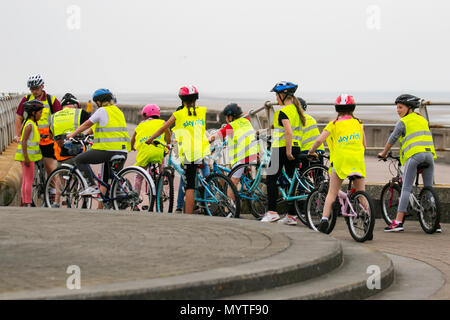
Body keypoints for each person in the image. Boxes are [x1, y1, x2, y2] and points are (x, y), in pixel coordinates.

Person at [378, 94, 439, 233]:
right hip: (429, 155)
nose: (398, 110)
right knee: (429, 187)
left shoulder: (403, 122)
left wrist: (383, 153)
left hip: (415, 156)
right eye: (397, 107)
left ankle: (398, 222)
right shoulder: (422, 119)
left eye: (400, 107)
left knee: (406, 188)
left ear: (409, 108)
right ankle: (436, 221)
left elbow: (392, 138)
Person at [307, 94, 367, 234]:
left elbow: (319, 140)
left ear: (337, 109)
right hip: (357, 161)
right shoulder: (359, 123)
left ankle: (324, 220)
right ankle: (368, 219)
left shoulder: (333, 124)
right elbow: (364, 145)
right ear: (352, 108)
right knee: (362, 194)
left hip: (340, 162)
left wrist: (311, 151)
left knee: (332, 193)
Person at [146, 85, 210, 214]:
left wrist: (150, 139)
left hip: (189, 153)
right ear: (195, 99)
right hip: (202, 150)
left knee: (189, 186)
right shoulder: (202, 111)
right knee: (196, 176)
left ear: (182, 100)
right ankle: (202, 197)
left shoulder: (179, 114)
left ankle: (188, 215)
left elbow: (163, 128)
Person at [67, 89, 131, 196]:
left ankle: (91, 186)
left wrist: (72, 134)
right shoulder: (118, 111)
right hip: (122, 151)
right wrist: (86, 134)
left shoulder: (102, 111)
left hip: (107, 150)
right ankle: (119, 194)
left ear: (99, 101)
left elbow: (88, 123)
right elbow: (96, 126)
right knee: (109, 179)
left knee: (79, 159)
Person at [261, 81, 306, 226]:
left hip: (281, 148)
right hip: (296, 147)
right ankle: (292, 216)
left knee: (271, 179)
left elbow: (288, 131)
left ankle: (272, 212)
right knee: (292, 181)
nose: (275, 98)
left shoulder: (282, 112)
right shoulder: (297, 111)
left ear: (283, 95)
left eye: (276, 95)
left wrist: (287, 150)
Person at [14, 74, 61, 178]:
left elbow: (58, 118)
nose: (34, 91)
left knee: (50, 166)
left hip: (47, 140)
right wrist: (17, 135)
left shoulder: (51, 100)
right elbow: (19, 117)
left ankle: (52, 189)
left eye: (36, 88)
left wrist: (54, 133)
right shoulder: (26, 99)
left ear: (42, 87)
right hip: (31, 139)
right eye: (32, 89)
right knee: (27, 166)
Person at [208, 103, 259, 188]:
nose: (226, 119)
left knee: (232, 183)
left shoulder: (231, 126)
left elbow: (214, 137)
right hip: (253, 153)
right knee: (238, 174)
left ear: (231, 117)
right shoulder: (246, 121)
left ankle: (230, 201)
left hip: (242, 156)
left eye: (226, 116)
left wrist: (205, 141)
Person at [130, 104, 171, 192]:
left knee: (139, 176)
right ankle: (162, 176)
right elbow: (168, 134)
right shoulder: (162, 122)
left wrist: (132, 147)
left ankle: (135, 197)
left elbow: (133, 138)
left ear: (145, 115)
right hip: (158, 152)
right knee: (161, 165)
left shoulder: (140, 125)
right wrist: (168, 144)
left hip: (144, 154)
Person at [14, 100, 44, 207]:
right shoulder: (30, 125)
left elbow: (22, 139)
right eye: (40, 113)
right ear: (33, 113)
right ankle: (27, 201)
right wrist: (26, 157)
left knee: (26, 179)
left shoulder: (27, 123)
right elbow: (24, 141)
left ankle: (24, 200)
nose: (40, 115)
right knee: (29, 180)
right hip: (28, 157)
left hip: (28, 156)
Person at [49, 93, 91, 165]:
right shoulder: (80, 112)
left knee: (63, 175)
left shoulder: (53, 116)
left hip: (61, 157)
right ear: (76, 105)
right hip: (78, 154)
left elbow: (50, 136)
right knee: (85, 175)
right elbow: (92, 123)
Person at [298, 97, 325, 166]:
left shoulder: (295, 120)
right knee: (319, 173)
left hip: (305, 151)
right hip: (319, 149)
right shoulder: (311, 118)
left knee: (302, 173)